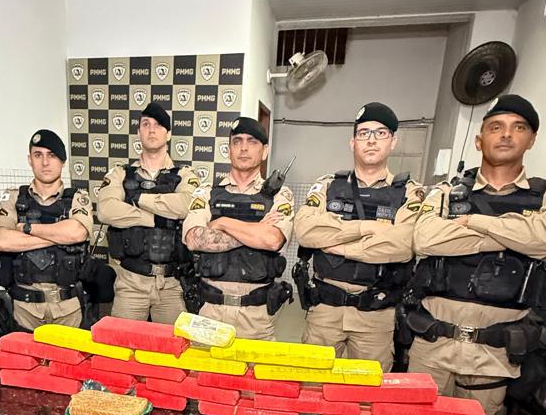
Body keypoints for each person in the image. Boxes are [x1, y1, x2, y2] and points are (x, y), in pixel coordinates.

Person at [406, 94, 546, 415]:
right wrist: (511, 236)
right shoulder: (445, 193)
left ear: (532, 139)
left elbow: (541, 241)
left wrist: (473, 222)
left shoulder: (541, 197)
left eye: (518, 127)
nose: (506, 134)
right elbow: (424, 239)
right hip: (433, 343)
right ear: (479, 140)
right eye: (496, 127)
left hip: (494, 353)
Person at [293, 102, 423, 370]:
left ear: (393, 142)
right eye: (364, 133)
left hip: (376, 315)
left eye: (380, 133)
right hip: (325, 310)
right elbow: (305, 231)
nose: (371, 140)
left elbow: (403, 245)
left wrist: (339, 246)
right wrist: (366, 228)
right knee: (311, 384)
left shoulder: (409, 192)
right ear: (353, 142)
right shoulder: (328, 185)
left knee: (367, 391)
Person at [182, 116, 294, 340]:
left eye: (252, 141)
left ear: (264, 151)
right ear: (229, 149)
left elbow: (272, 240)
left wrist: (223, 222)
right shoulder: (206, 192)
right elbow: (194, 239)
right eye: (237, 141)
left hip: (256, 317)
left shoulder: (280, 195)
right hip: (209, 312)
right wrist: (256, 229)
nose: (243, 148)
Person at [96, 103, 199, 323]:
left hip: (172, 284)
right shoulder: (120, 173)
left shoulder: (184, 174)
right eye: (146, 124)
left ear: (168, 134)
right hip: (130, 282)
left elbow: (187, 205)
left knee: (172, 344)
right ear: (138, 132)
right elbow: (106, 210)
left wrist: (138, 199)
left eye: (158, 125)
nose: (151, 129)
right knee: (123, 343)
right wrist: (157, 218)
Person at [0, 130, 93, 330]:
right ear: (30, 160)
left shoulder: (77, 198)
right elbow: (2, 240)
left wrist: (26, 228)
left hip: (68, 307)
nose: (45, 162)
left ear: (62, 161)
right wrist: (59, 235)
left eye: (52, 155)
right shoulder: (14, 197)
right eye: (38, 155)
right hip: (25, 308)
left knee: (70, 352)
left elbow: (76, 233)